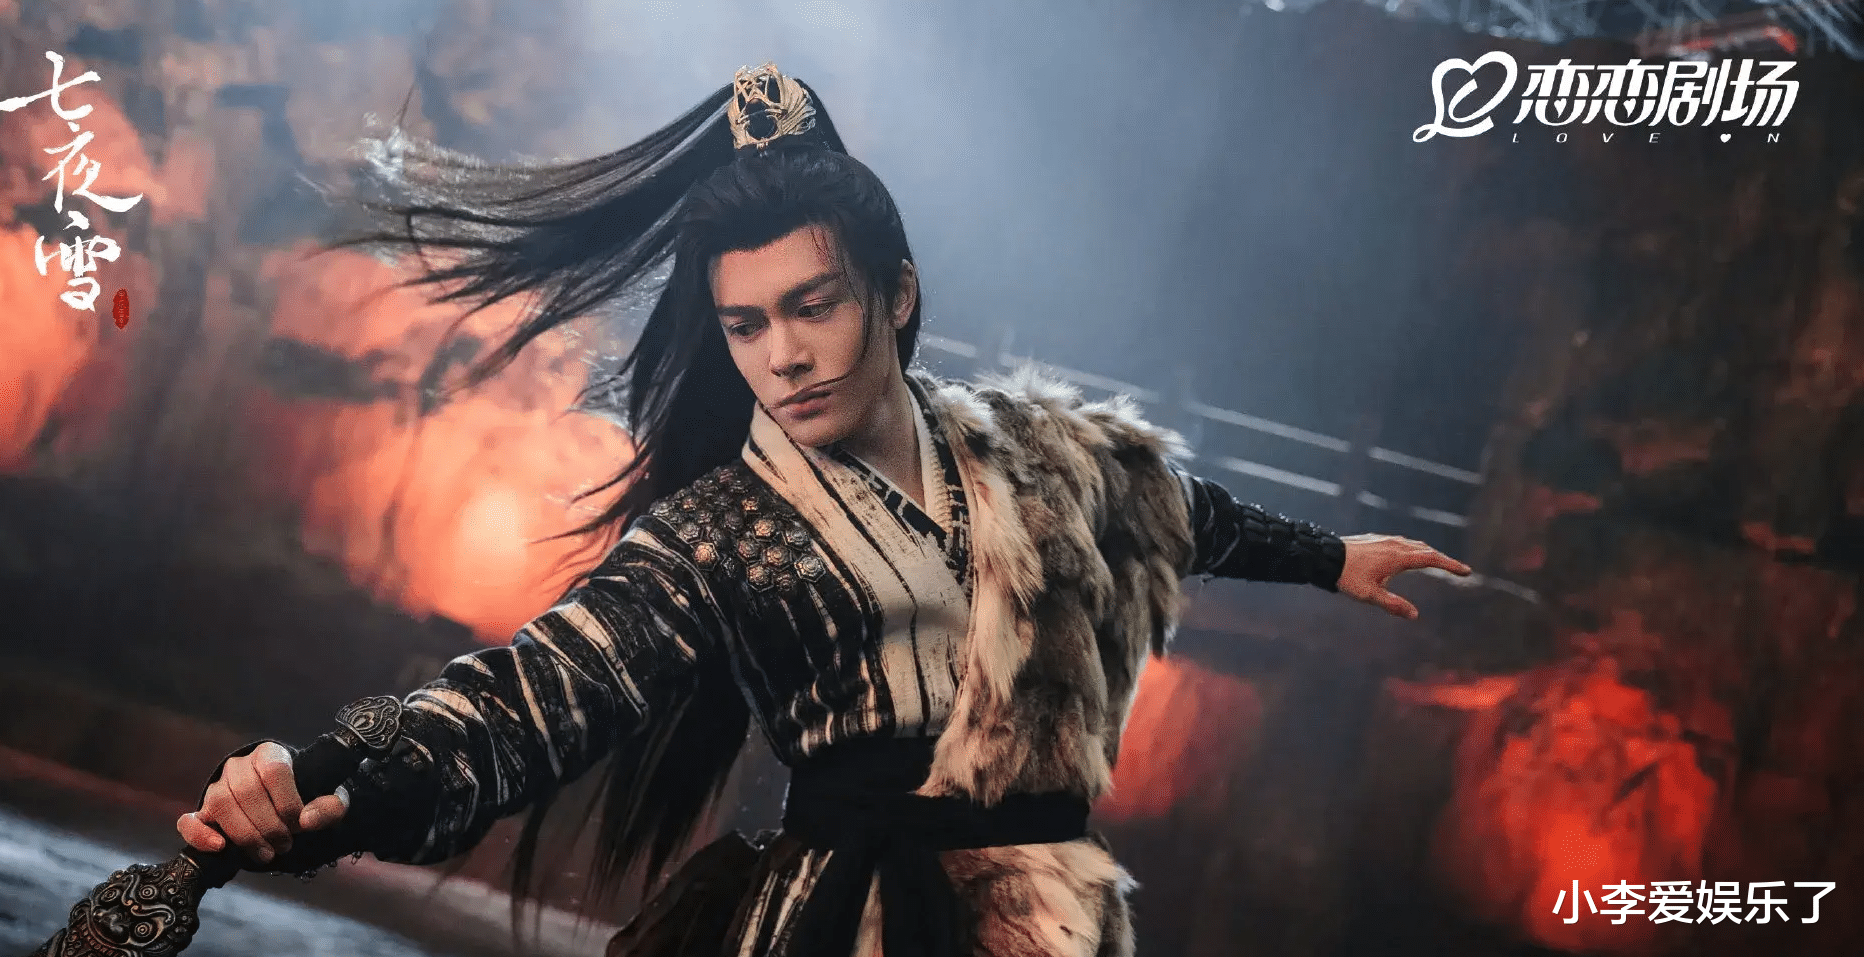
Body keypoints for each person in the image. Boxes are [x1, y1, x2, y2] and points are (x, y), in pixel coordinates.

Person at [176, 64, 1471, 957]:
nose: (783, 355)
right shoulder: (723, 532)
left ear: (893, 295)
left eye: (814, 306)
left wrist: (1333, 557)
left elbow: (1176, 506)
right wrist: (336, 788)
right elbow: (537, 696)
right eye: (745, 325)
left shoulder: (1041, 453)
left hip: (1053, 914)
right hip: (845, 924)